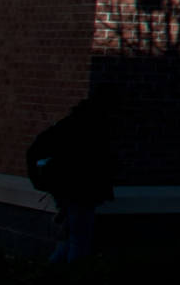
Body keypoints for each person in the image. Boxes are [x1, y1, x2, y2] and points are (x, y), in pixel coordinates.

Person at [26, 96, 115, 261]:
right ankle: (70, 277)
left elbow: (35, 149)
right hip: (81, 192)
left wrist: (40, 181)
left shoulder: (68, 126)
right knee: (79, 239)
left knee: (70, 237)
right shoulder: (91, 131)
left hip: (66, 190)